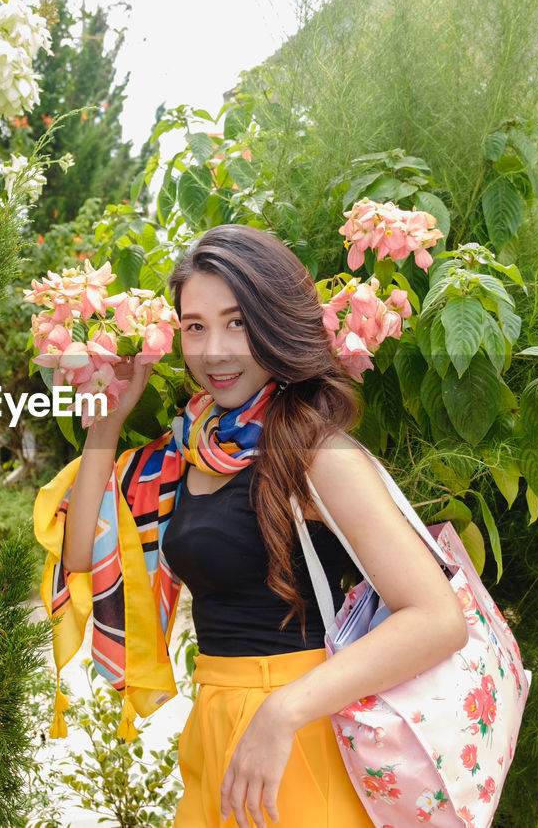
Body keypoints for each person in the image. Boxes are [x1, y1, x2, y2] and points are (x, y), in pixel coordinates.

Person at [35, 224, 468, 828]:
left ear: (275, 324)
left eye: (237, 322)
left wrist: (284, 711)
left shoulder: (317, 454)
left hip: (298, 735)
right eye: (195, 326)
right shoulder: (188, 450)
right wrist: (105, 428)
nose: (214, 350)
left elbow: (438, 618)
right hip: (216, 731)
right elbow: (83, 558)